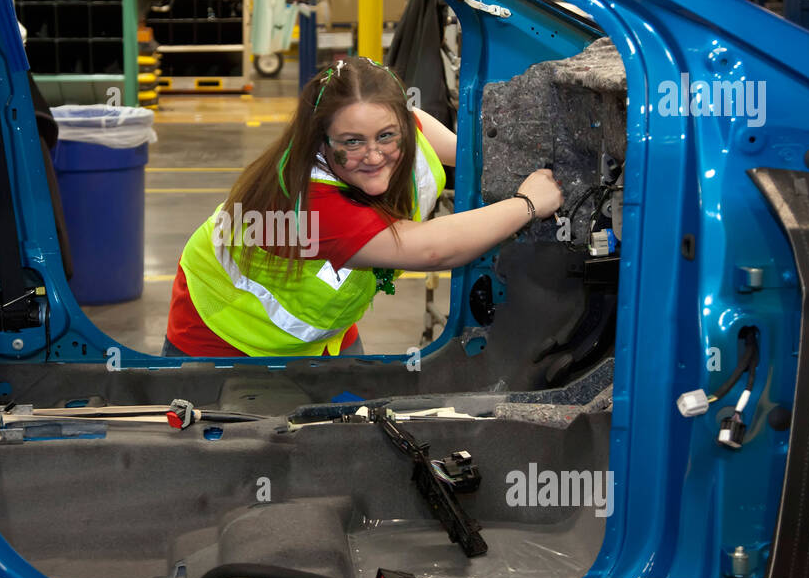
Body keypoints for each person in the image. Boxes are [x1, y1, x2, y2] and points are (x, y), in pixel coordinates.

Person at [163, 56, 562, 358]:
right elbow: (432, 249)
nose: (374, 155)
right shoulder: (312, 203)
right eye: (351, 142)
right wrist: (527, 204)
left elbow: (472, 154)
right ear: (320, 141)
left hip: (325, 325)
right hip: (228, 333)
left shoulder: (411, 129)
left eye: (387, 135)